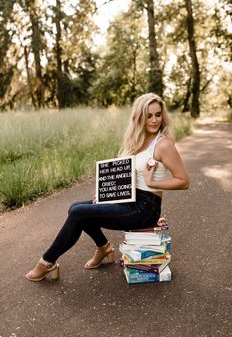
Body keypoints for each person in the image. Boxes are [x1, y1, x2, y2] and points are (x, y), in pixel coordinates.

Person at [26, 93, 189, 282]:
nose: (154, 120)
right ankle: (103, 247)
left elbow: (183, 181)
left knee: (79, 213)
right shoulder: (136, 141)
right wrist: (106, 194)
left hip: (145, 207)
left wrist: (153, 183)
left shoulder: (163, 144)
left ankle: (47, 261)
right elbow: (124, 176)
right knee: (76, 208)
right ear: (139, 117)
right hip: (129, 198)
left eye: (158, 115)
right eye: (148, 115)